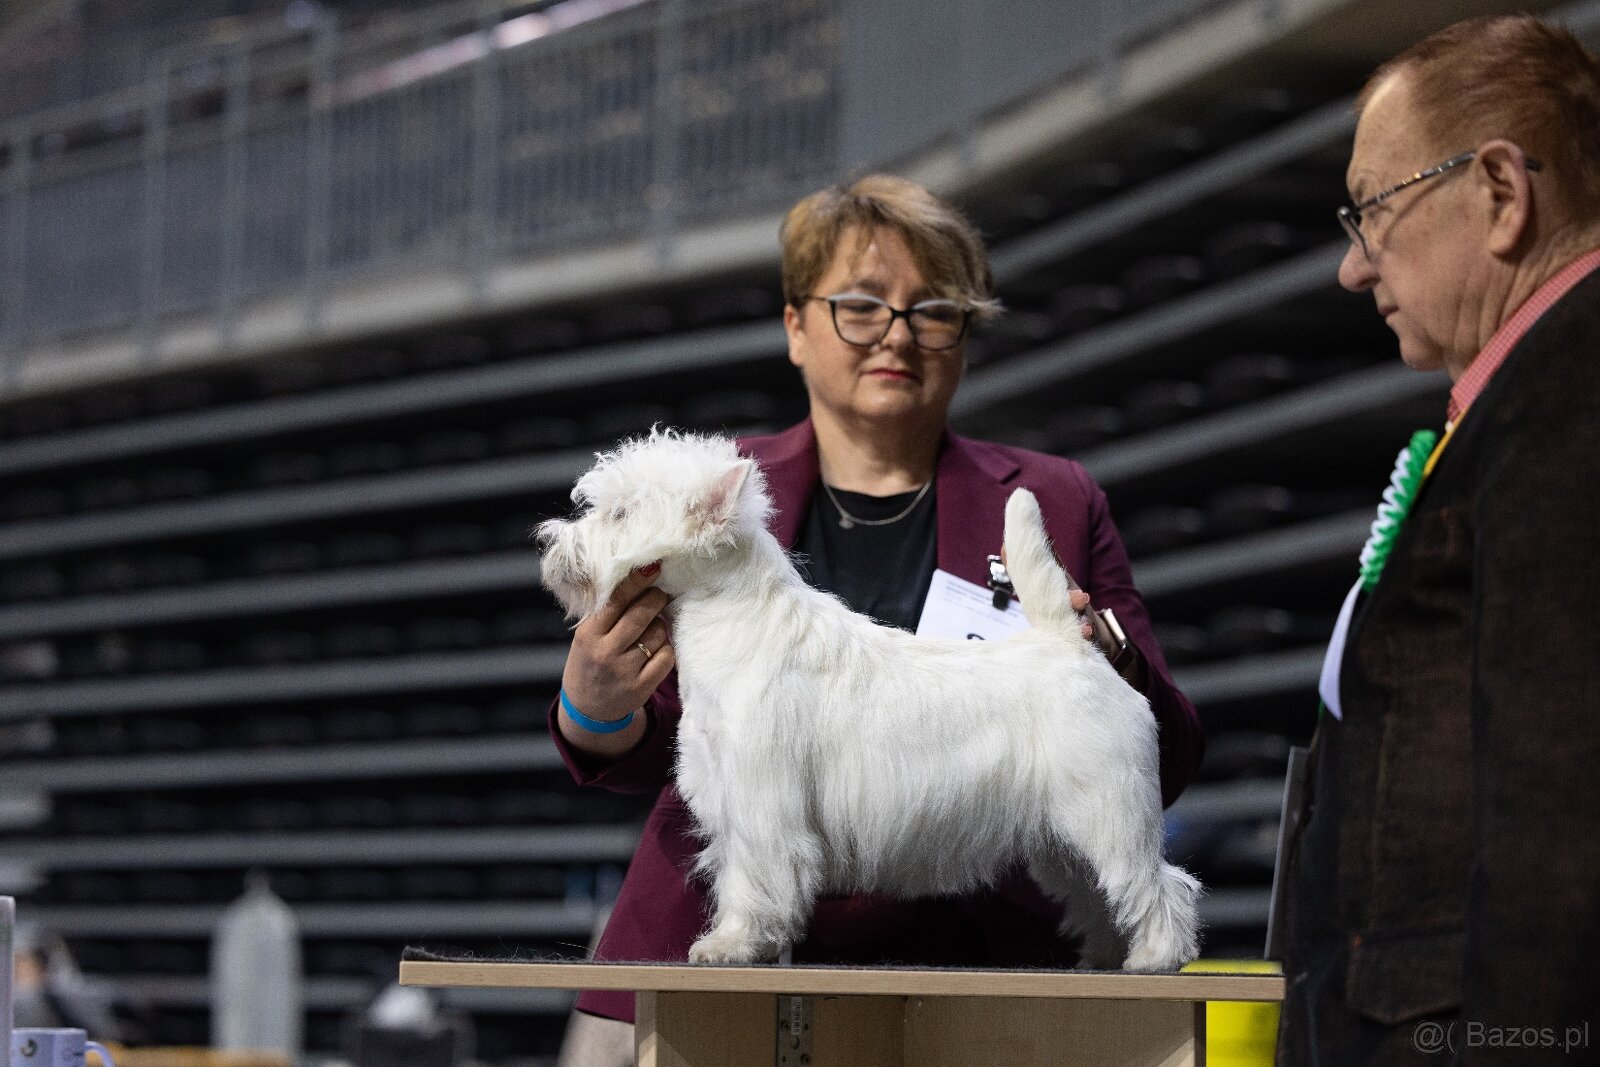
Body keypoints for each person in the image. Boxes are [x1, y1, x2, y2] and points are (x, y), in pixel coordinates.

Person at [550, 174, 1204, 1063]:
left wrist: (1105, 649)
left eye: (934, 310)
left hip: (984, 969)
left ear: (965, 335)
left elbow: (1167, 739)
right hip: (715, 985)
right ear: (795, 325)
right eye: (860, 306)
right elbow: (655, 750)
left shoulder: (1056, 495)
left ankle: (1146, 922)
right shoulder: (717, 497)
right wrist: (593, 707)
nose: (896, 334)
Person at [1277, 16, 1600, 1065]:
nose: (1350, 269)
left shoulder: (1571, 398)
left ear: (1500, 192)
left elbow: (1557, 806)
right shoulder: (1528, 397)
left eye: (1370, 211)